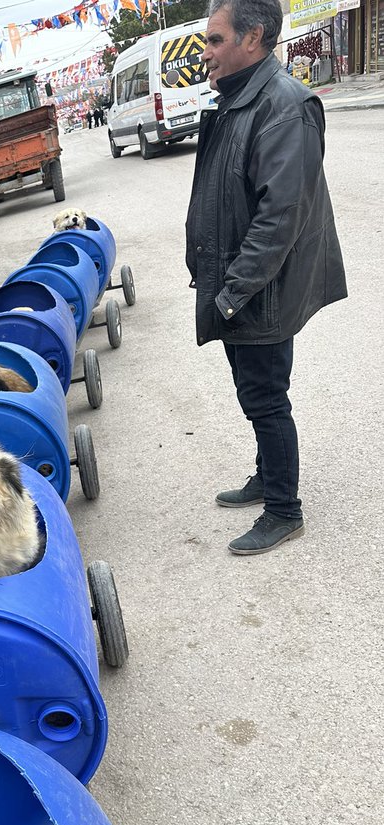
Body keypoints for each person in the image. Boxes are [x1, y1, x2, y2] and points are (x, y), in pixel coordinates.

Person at [185, 0, 346, 555]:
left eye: (214, 39)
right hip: (243, 286)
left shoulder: (284, 106)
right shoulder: (242, 99)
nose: (205, 53)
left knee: (266, 396)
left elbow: (280, 219)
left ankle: (284, 509)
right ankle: (265, 476)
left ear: (253, 38)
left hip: (262, 290)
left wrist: (231, 294)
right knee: (252, 390)